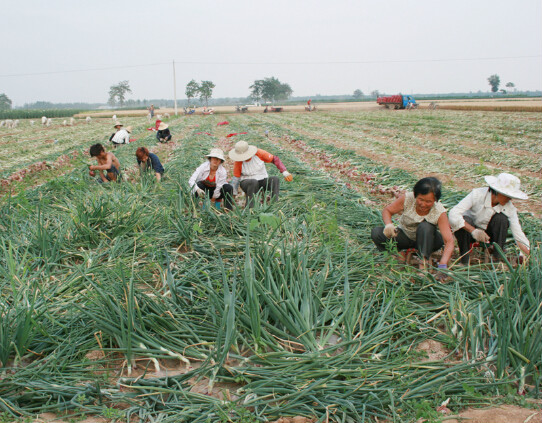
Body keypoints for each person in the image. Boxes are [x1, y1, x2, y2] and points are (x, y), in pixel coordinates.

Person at [371, 177, 454, 271]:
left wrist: (443, 265)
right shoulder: (408, 199)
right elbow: (387, 210)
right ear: (415, 195)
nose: (423, 204)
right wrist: (388, 224)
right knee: (376, 233)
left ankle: (423, 263)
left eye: (428, 201)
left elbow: (449, 241)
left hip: (429, 240)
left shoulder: (439, 211)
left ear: (435, 200)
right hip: (406, 236)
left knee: (425, 226)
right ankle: (395, 254)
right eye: (421, 199)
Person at [448, 173, 530, 265]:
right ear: (498, 192)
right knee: (465, 220)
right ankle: (465, 260)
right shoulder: (477, 195)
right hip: (469, 232)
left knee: (501, 219)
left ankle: (496, 259)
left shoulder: (509, 208)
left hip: (490, 236)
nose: (510, 199)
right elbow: (453, 213)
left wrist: (528, 254)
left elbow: (518, 233)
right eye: (508, 196)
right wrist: (473, 231)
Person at [228, 141, 293, 208]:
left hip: (262, 179)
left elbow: (274, 159)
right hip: (247, 182)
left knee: (275, 179)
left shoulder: (259, 153)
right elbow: (236, 178)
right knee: (253, 182)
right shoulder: (238, 161)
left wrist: (284, 172)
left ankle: (274, 204)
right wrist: (233, 195)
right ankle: (250, 208)